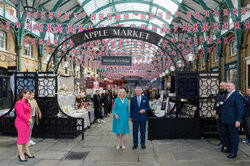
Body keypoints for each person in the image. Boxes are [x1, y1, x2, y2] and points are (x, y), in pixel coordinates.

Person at [220, 82, 244, 159]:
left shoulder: (237, 95)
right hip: (225, 119)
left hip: (233, 120)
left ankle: (234, 152)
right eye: (226, 86)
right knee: (226, 135)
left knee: (234, 137)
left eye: (229, 86)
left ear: (233, 87)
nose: (227, 88)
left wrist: (238, 120)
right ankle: (229, 149)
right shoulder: (226, 94)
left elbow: (240, 109)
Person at [15, 89, 35, 162]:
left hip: (27, 122)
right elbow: (21, 114)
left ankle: (27, 152)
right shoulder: (19, 103)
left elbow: (29, 112)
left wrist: (30, 119)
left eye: (29, 94)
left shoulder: (26, 102)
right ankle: (21, 155)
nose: (29, 95)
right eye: (28, 94)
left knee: (26, 138)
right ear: (23, 94)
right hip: (20, 122)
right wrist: (28, 120)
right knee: (21, 138)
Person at [212, 82, 227, 150]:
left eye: (222, 86)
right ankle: (221, 142)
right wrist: (214, 110)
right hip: (218, 114)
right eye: (220, 86)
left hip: (223, 115)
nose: (220, 87)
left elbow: (223, 106)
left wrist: (218, 113)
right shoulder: (219, 94)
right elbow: (216, 103)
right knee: (220, 130)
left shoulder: (226, 94)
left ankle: (224, 144)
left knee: (224, 130)